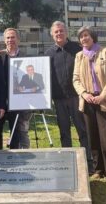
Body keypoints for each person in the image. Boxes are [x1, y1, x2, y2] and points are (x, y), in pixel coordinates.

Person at [72, 26, 106, 183]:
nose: (84, 38)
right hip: (87, 101)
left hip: (105, 100)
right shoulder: (79, 56)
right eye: (81, 37)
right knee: (93, 136)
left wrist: (102, 96)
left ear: (93, 37)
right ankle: (98, 169)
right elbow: (75, 79)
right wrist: (84, 94)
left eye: (87, 35)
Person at [45, 21, 93, 174]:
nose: (59, 34)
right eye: (56, 32)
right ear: (52, 35)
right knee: (64, 132)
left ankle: (88, 162)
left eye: (61, 31)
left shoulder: (78, 49)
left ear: (66, 32)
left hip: (77, 97)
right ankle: (67, 162)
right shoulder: (48, 54)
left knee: (82, 130)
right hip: (58, 99)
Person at [0, 28, 31, 149]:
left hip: (20, 100)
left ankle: (20, 155)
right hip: (2, 100)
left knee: (19, 131)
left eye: (13, 37)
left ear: (18, 39)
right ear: (4, 40)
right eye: (8, 37)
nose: (10, 40)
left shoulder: (25, 56)